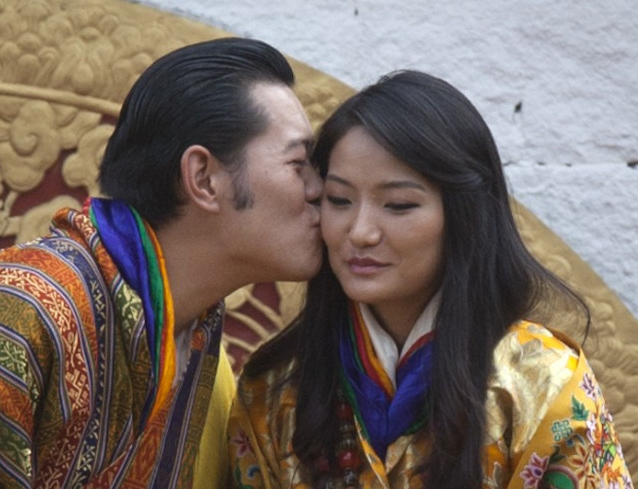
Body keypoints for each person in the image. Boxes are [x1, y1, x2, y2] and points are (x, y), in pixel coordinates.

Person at [0, 37, 323, 488]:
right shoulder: (10, 316)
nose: (320, 189)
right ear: (203, 178)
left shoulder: (204, 357)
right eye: (299, 164)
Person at [228, 70, 633, 488]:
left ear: (463, 215)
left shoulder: (544, 383)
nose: (361, 231)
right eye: (339, 200)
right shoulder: (272, 388)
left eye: (399, 205)